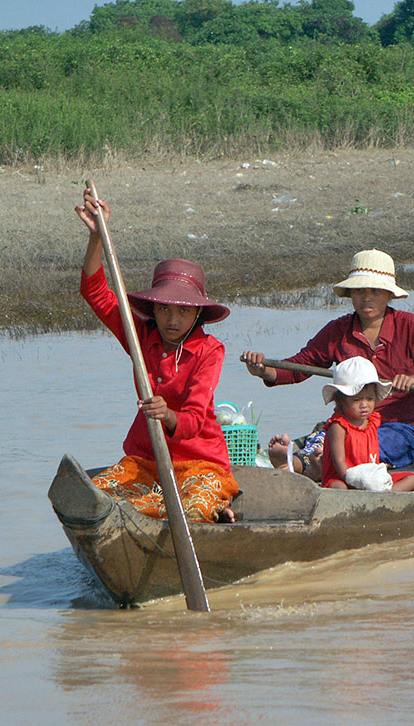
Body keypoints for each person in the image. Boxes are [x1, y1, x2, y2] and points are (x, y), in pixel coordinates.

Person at [75, 188, 238, 523]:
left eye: (182, 311)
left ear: (197, 313)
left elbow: (194, 419)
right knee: (91, 500)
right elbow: (95, 292)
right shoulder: (140, 336)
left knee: (193, 508)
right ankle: (157, 507)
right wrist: (96, 237)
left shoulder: (209, 351)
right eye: (164, 309)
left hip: (199, 463)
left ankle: (213, 509)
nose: (172, 320)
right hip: (145, 462)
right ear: (153, 309)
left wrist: (168, 416)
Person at [241, 248, 414, 480]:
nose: (367, 297)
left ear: (389, 295)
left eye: (375, 291)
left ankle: (319, 465)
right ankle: (297, 463)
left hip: (400, 428)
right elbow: (300, 366)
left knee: (360, 446)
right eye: (360, 291)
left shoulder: (410, 327)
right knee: (328, 439)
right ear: (351, 294)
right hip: (346, 424)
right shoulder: (338, 330)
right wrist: (264, 370)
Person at [320, 357, 414, 492]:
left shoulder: (373, 421)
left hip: (371, 476)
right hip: (344, 478)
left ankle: (386, 494)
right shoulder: (338, 426)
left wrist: (375, 480)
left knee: (412, 479)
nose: (364, 405)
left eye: (370, 399)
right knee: (339, 487)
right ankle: (367, 495)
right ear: (340, 401)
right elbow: (339, 463)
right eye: (356, 400)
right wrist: (356, 483)